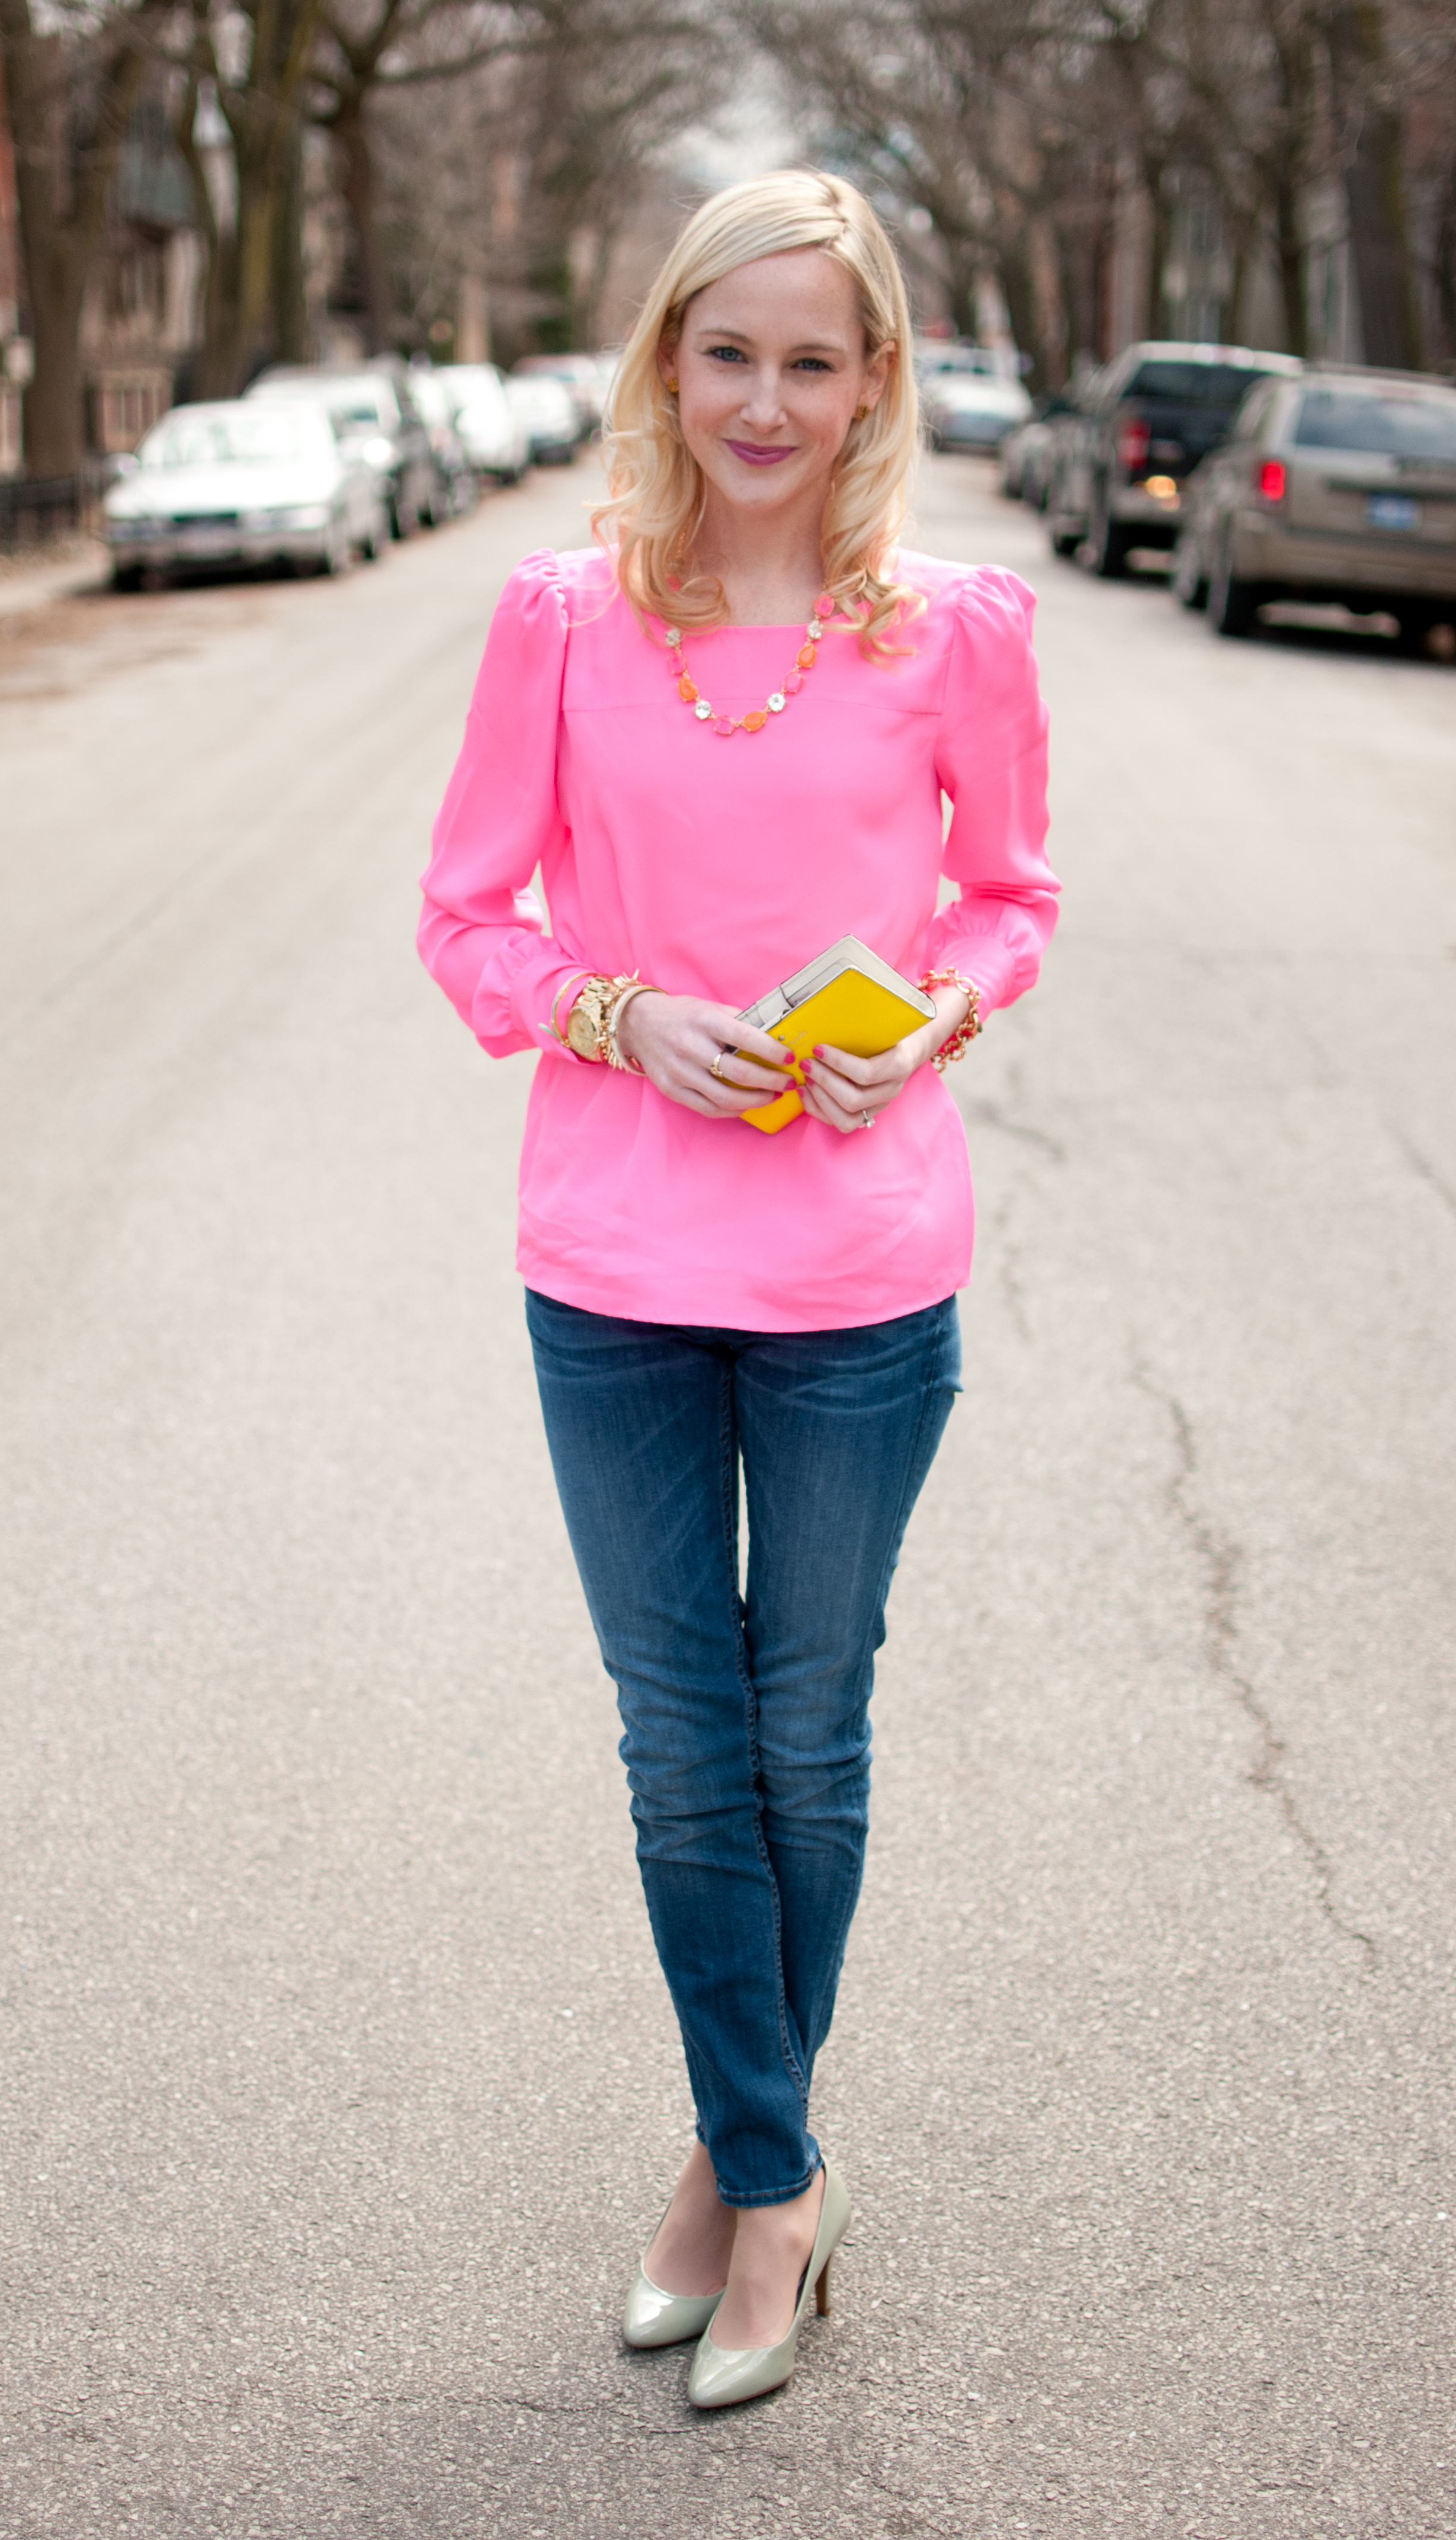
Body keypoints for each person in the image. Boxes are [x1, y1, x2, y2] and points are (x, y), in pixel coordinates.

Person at [418, 169, 1058, 2410]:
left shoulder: (957, 628)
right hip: (610, 1261)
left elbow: (1012, 901)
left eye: (813, 358)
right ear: (664, 363)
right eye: (728, 352)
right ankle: (780, 2179)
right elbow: (471, 918)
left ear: (874, 381)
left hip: (865, 1272)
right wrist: (614, 1017)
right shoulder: (559, 619)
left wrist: (928, 1016)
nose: (765, 400)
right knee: (687, 1758)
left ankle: (731, 2173)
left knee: (806, 1733)